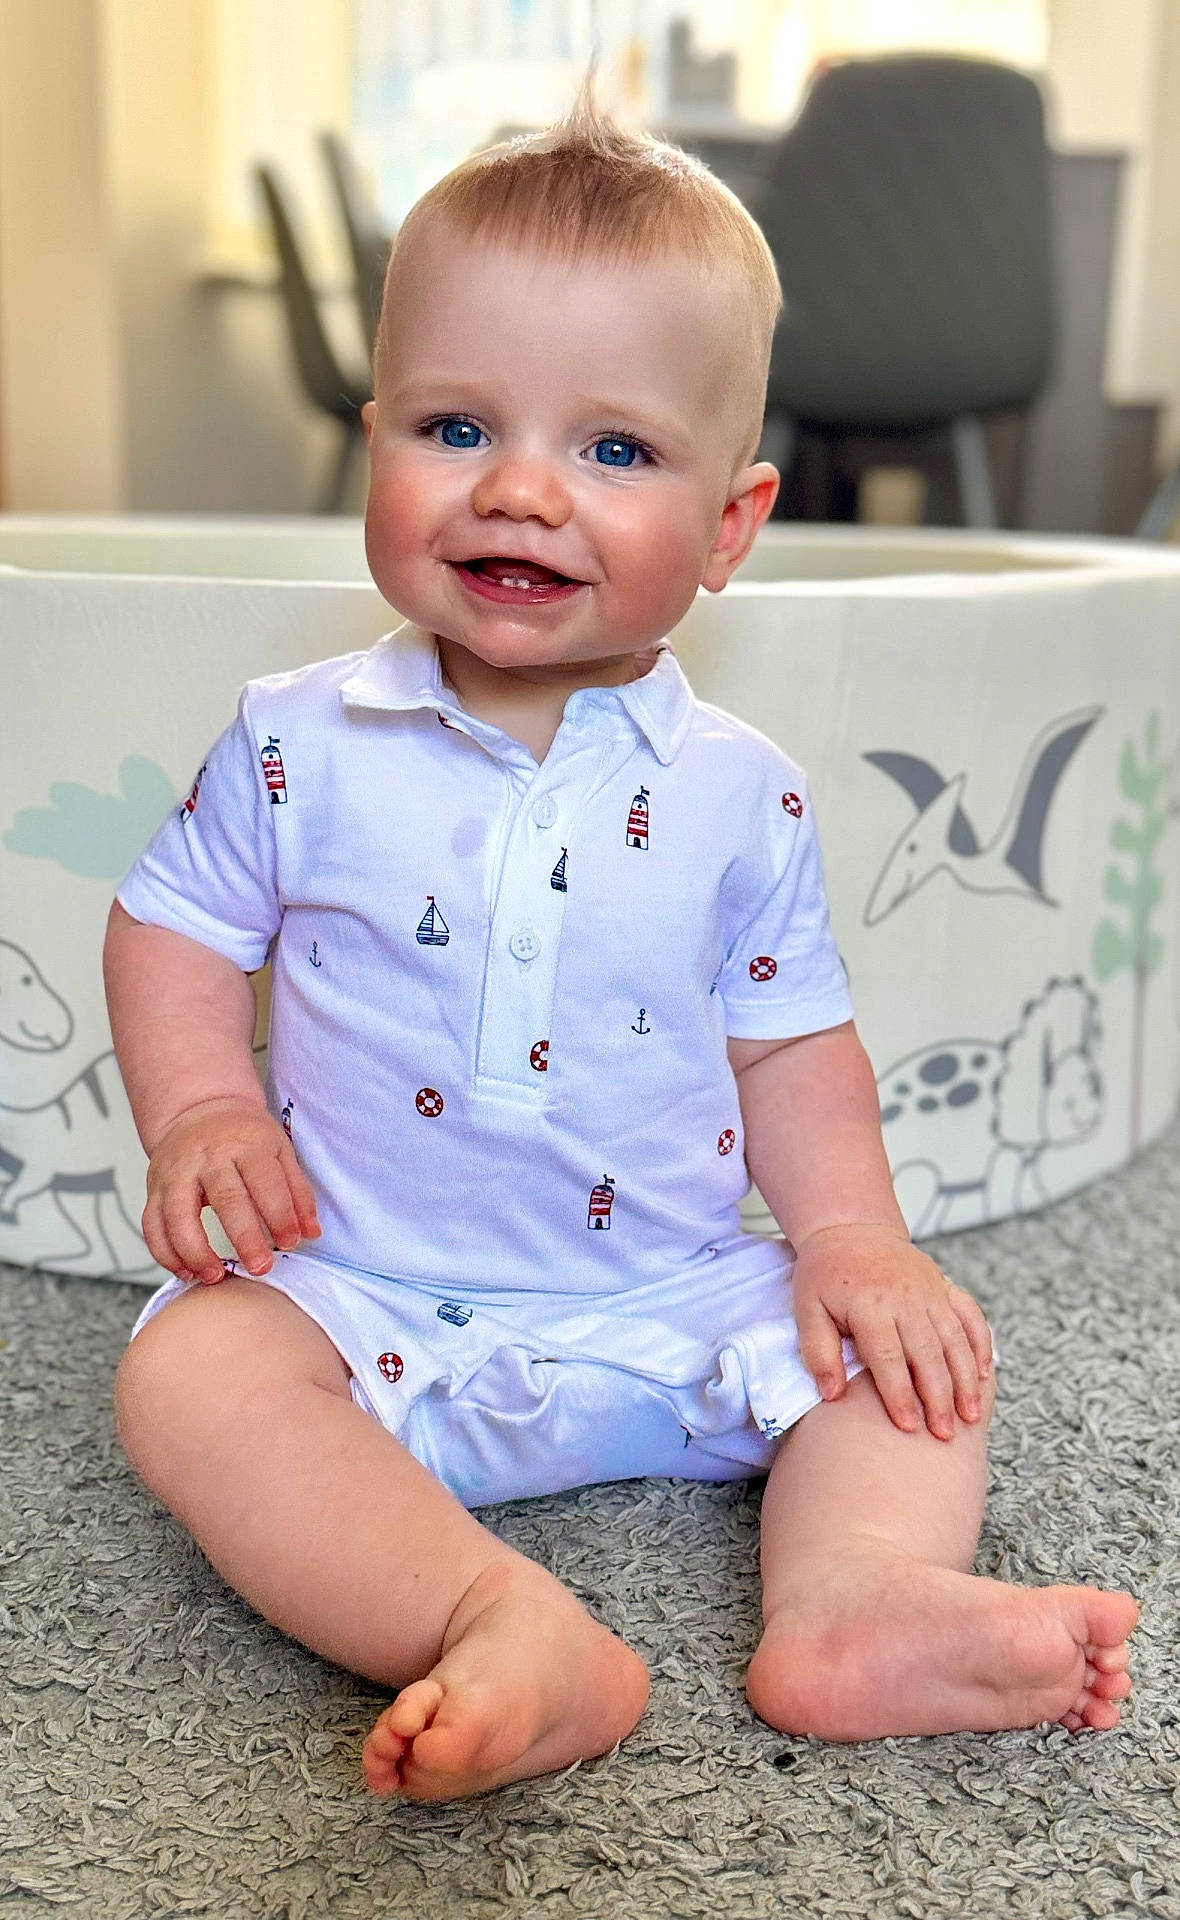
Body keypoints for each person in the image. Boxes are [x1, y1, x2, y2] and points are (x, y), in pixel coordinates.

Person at [106, 86, 1137, 1806]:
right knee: (187, 1379)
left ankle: (854, 1601)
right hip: (367, 1301)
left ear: (731, 526)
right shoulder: (297, 741)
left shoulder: (743, 795)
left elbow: (793, 1044)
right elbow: (171, 926)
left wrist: (853, 1238)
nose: (522, 490)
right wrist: (206, 1111)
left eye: (613, 451)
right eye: (454, 428)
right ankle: (489, 1615)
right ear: (373, 443)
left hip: (671, 1299)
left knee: (914, 1358)